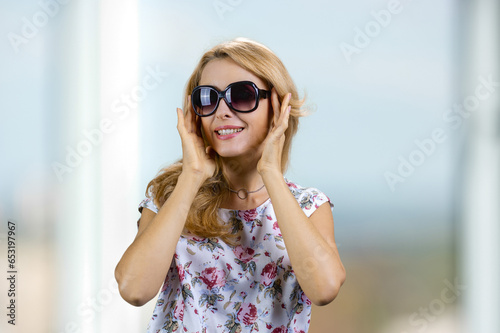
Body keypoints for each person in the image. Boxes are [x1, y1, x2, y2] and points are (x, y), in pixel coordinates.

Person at [115, 37, 346, 333]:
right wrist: (191, 175)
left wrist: (271, 174)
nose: (222, 111)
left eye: (241, 95)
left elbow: (324, 288)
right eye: (208, 98)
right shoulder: (170, 198)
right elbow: (134, 289)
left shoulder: (308, 205)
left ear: (277, 108)